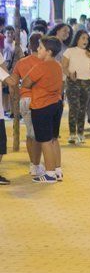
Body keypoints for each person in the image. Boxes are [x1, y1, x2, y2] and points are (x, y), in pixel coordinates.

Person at [21, 37, 65, 183]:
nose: (37, 50)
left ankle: (50, 173)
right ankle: (58, 170)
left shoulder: (41, 66)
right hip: (56, 104)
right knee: (53, 139)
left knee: (44, 140)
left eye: (40, 48)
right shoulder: (58, 65)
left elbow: (26, 83)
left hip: (42, 106)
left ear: (49, 52)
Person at [11, 34, 45, 177]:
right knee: (38, 135)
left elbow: (13, 83)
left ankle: (34, 164)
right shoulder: (45, 62)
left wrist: (14, 103)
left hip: (24, 100)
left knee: (31, 134)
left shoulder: (21, 62)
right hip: (40, 100)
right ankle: (35, 165)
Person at [62, 30, 90, 145]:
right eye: (83, 38)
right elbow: (64, 67)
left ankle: (80, 133)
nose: (85, 41)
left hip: (87, 82)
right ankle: (72, 133)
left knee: (83, 108)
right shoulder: (69, 51)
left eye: (87, 39)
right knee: (74, 108)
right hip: (73, 81)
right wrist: (69, 74)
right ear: (77, 39)